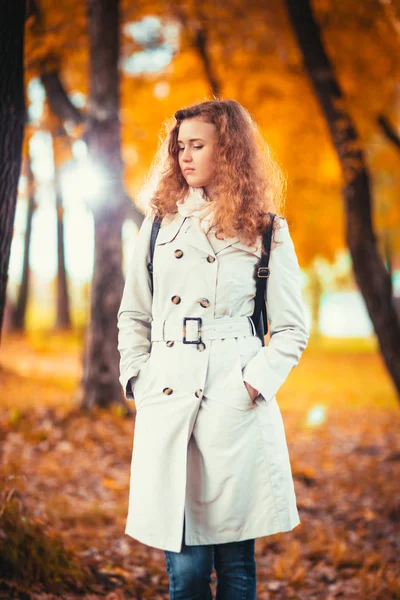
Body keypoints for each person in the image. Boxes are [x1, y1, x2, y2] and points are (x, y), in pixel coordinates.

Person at [117, 99, 309, 599]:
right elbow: (133, 314)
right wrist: (139, 378)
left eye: (197, 145)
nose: (184, 156)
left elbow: (291, 329)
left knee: (236, 565)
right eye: (179, 147)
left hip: (233, 403)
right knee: (184, 570)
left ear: (228, 151)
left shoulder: (266, 230)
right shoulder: (158, 225)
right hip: (169, 394)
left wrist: (251, 384)